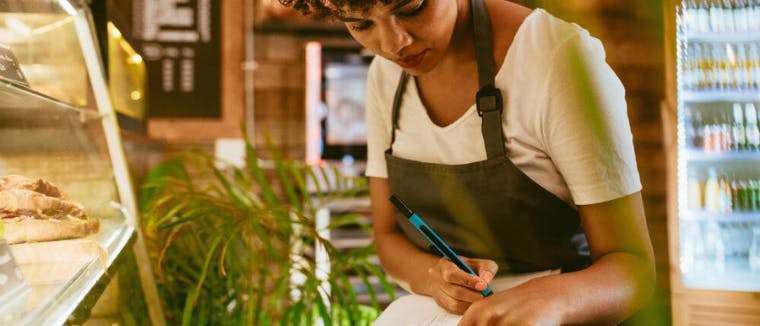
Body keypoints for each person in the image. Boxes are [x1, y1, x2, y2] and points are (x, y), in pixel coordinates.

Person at [279, 0, 656, 324]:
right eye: (361, 24)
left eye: (411, 7)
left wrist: (550, 299)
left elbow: (633, 269)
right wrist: (433, 277)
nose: (394, 43)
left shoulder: (558, 60)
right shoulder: (386, 75)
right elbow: (387, 236)